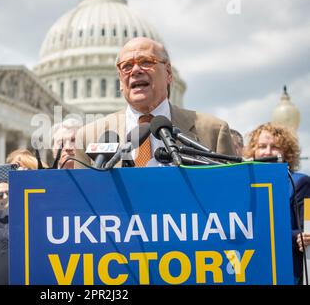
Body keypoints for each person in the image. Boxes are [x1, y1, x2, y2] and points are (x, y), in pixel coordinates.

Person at [74, 37, 235, 168]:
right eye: (127, 66)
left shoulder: (213, 131)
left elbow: (233, 191)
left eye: (146, 62)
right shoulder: (89, 137)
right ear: (121, 82)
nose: (136, 70)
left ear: (168, 73)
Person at [244, 122, 310, 284]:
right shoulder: (243, 184)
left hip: (286, 268)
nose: (267, 152)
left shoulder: (299, 182)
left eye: (274, 147)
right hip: (250, 267)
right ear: (253, 151)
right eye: (262, 146)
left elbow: (305, 228)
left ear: (286, 152)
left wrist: (298, 238)